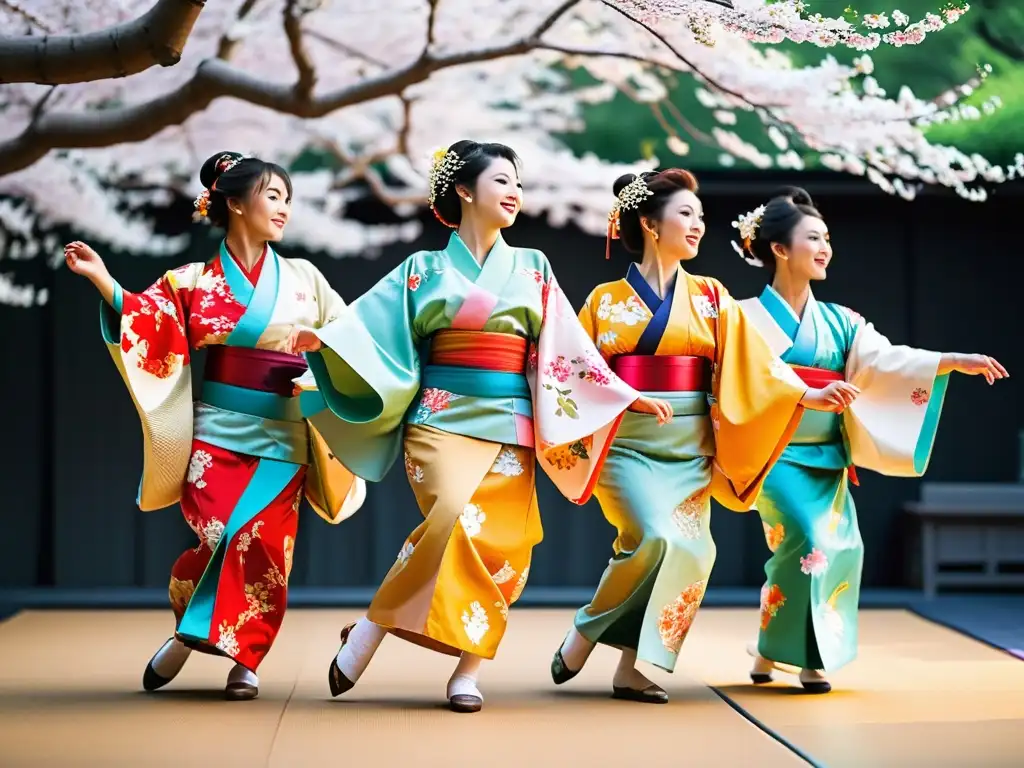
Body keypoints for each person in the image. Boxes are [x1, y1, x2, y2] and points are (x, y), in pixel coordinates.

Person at [289, 140, 668, 713]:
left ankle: (465, 671)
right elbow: (372, 325)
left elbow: (567, 350)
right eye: (501, 181)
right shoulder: (423, 269)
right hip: (439, 417)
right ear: (465, 191)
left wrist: (619, 394)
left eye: (519, 182)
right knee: (454, 519)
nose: (515, 192)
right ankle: (374, 629)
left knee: (508, 550)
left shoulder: (534, 267)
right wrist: (329, 343)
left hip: (509, 421)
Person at [64, 151, 366, 701]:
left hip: (285, 432)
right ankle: (191, 630)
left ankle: (244, 660)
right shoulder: (193, 280)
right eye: (272, 196)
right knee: (220, 535)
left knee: (266, 546)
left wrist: (320, 346)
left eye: (287, 200)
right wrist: (105, 281)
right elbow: (146, 322)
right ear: (234, 203)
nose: (283, 209)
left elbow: (353, 337)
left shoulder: (305, 279)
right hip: (219, 432)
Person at [549, 170, 857, 703]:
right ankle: (586, 627)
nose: (697, 225)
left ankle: (633, 668)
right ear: (649, 223)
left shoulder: (712, 297)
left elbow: (755, 365)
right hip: (627, 441)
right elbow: (574, 370)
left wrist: (804, 395)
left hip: (688, 448)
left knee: (692, 550)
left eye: (701, 216)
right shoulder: (604, 301)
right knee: (652, 536)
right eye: (685, 214)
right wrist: (626, 395)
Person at [733, 187, 1008, 693]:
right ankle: (812, 656)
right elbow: (744, 380)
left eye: (828, 238)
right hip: (773, 453)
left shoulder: (842, 321)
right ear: (777, 249)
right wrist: (801, 393)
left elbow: (888, 361)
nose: (825, 248)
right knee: (808, 542)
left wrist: (950, 361)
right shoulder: (741, 317)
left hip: (827, 458)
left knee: (838, 547)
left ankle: (771, 647)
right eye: (813, 237)